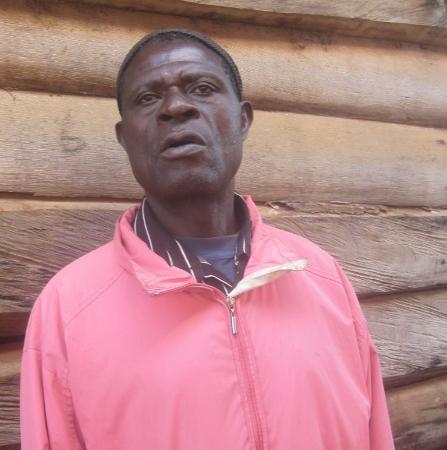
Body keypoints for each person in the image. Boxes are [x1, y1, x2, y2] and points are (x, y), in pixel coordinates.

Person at [20, 29, 395, 449]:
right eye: (148, 97)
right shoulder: (67, 310)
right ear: (125, 138)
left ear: (243, 119)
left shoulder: (322, 278)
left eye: (202, 89)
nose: (176, 107)